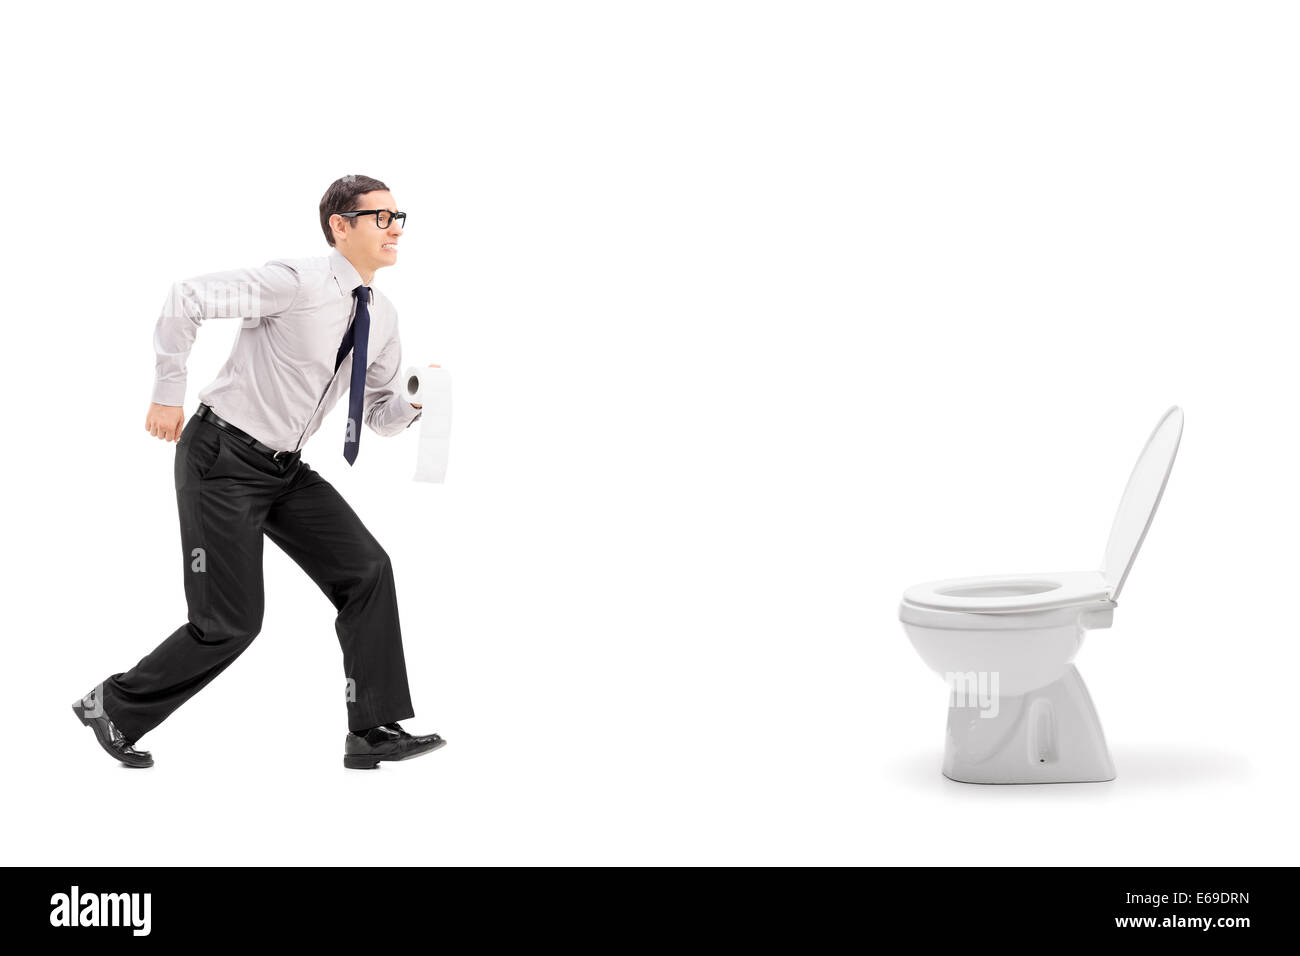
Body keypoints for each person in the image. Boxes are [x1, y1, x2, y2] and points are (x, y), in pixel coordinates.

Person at [72, 174, 447, 770]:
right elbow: (187, 296)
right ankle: (111, 707)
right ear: (340, 226)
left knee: (367, 570)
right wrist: (168, 391)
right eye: (381, 216)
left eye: (400, 216)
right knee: (229, 623)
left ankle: (371, 729)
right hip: (221, 457)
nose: (395, 226)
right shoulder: (294, 282)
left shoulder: (384, 317)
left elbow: (377, 414)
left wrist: (418, 402)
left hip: (284, 470)